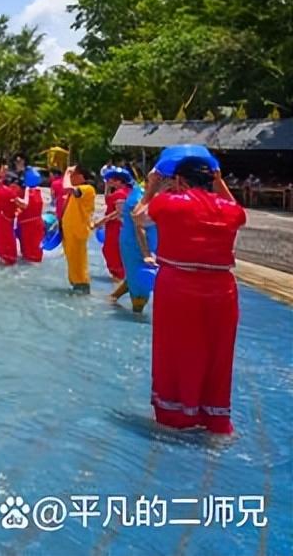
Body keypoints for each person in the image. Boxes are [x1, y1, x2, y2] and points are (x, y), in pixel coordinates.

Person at [136, 155, 245, 434]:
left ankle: (177, 415)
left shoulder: (170, 203)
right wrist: (219, 183)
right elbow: (238, 210)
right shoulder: (230, 210)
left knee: (176, 349)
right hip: (222, 290)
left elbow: (139, 217)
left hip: (179, 286)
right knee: (218, 353)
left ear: (179, 180)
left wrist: (151, 186)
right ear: (212, 180)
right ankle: (214, 418)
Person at [110, 177, 158, 313]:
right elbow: (140, 227)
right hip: (137, 245)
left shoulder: (141, 193)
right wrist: (146, 254)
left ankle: (113, 297)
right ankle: (137, 314)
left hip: (136, 243)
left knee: (134, 275)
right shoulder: (141, 199)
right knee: (141, 286)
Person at [92, 168, 133, 280]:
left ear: (120, 181)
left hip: (116, 227)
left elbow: (118, 212)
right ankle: (120, 278)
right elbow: (108, 200)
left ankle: (117, 279)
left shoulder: (120, 194)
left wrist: (100, 222)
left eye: (112, 179)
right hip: (121, 227)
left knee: (111, 252)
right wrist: (107, 187)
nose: (109, 181)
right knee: (119, 253)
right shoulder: (126, 191)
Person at [61, 165, 97, 293]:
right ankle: (77, 285)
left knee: (78, 262)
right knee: (73, 261)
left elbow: (67, 188)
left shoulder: (87, 189)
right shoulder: (80, 190)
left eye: (73, 175)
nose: (71, 177)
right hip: (71, 231)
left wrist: (66, 173)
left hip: (78, 231)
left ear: (81, 176)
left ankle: (82, 286)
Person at [14, 170, 46, 262]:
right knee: (35, 250)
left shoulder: (28, 190)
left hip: (28, 226)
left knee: (27, 251)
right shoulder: (38, 191)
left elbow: (25, 205)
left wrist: (14, 198)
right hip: (37, 224)